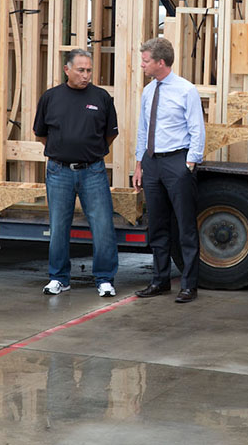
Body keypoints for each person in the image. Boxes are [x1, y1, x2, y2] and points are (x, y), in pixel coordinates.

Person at [33, 48, 120, 298]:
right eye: (80, 70)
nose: (85, 75)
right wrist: (64, 150)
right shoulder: (51, 98)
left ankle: (104, 278)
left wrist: (92, 152)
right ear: (67, 70)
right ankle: (59, 278)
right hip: (59, 171)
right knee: (59, 227)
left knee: (103, 226)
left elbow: (110, 133)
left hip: (93, 171)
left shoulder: (102, 97)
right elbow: (41, 134)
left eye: (89, 70)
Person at [132, 37, 206, 303]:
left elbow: (197, 128)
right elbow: (143, 129)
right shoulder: (149, 91)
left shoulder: (186, 90)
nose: (142, 65)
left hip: (177, 162)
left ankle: (189, 284)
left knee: (185, 226)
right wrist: (139, 164)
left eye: (146, 61)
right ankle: (160, 280)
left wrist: (190, 163)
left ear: (160, 63)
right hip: (152, 163)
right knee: (157, 225)